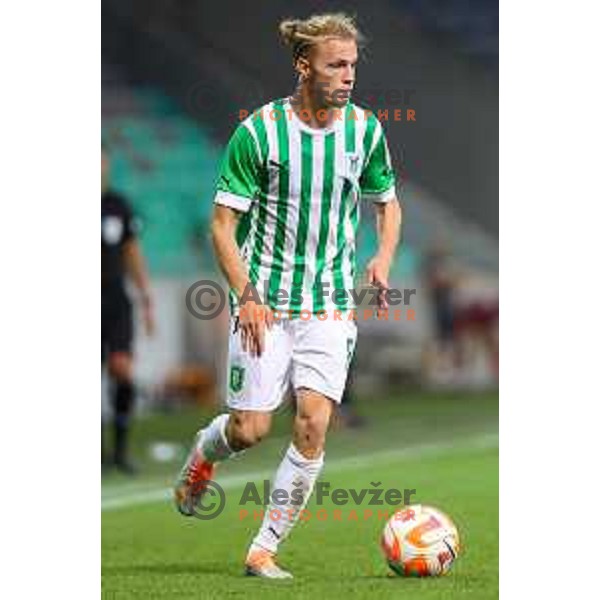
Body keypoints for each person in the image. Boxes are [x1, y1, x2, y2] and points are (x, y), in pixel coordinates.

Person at [174, 13, 402, 578]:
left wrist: (382, 256)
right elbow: (222, 226)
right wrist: (247, 294)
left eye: (352, 65)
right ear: (304, 66)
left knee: (312, 422)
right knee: (249, 430)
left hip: (327, 304)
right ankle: (204, 453)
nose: (348, 76)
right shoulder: (258, 133)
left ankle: (263, 549)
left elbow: (387, 203)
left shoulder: (366, 131)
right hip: (265, 305)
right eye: (335, 65)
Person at [102, 145, 155, 474]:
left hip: (115, 299)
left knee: (122, 369)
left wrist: (146, 298)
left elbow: (132, 252)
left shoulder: (118, 205)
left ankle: (120, 450)